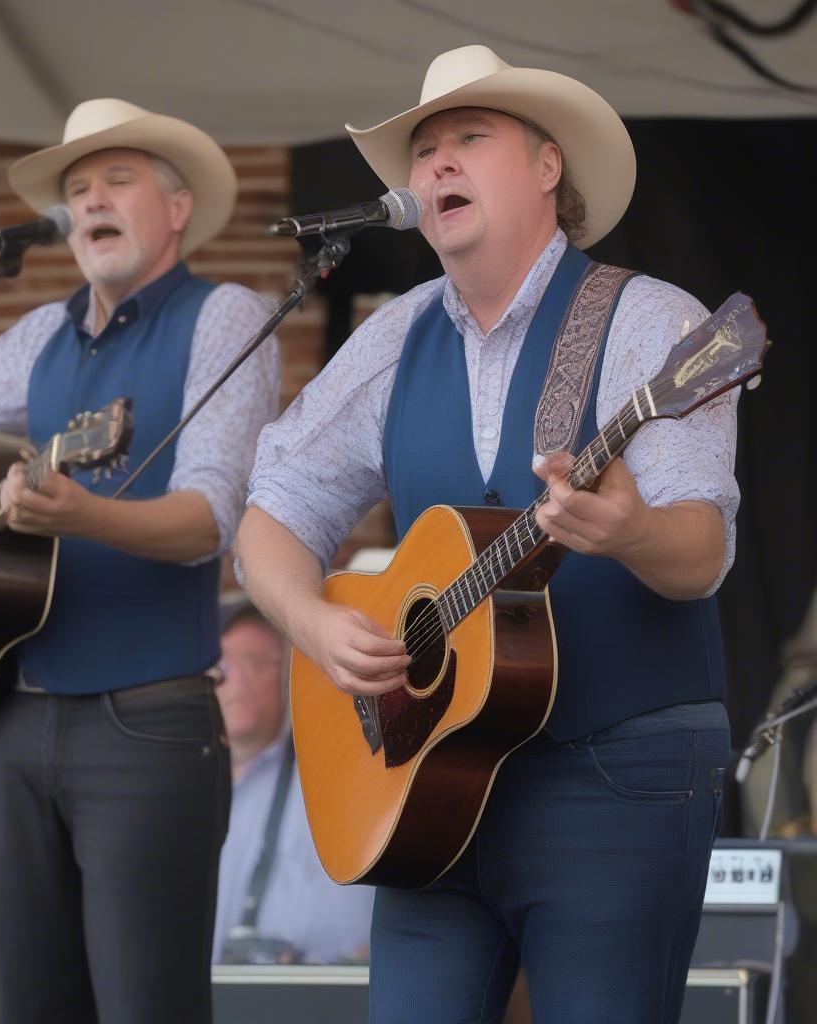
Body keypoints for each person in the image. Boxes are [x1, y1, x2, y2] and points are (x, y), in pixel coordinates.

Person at [236, 45, 738, 1023]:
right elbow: (271, 513)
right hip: (428, 792)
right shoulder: (392, 336)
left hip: (613, 775)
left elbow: (701, 557)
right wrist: (310, 620)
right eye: (424, 153)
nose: (437, 167)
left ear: (549, 167)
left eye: (470, 138)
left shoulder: (653, 325)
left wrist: (629, 528)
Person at [0, 98, 280, 1022]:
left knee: (146, 1007)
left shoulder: (226, 318)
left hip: (147, 725)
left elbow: (210, 518)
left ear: (176, 208)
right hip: (10, 722)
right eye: (76, 188)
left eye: (116, 180)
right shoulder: (39, 338)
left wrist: (86, 516)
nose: (90, 199)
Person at [212, 600, 374, 965]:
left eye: (254, 662)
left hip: (324, 989)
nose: (234, 678)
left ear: (288, 676)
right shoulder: (183, 789)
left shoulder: (333, 774)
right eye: (222, 665)